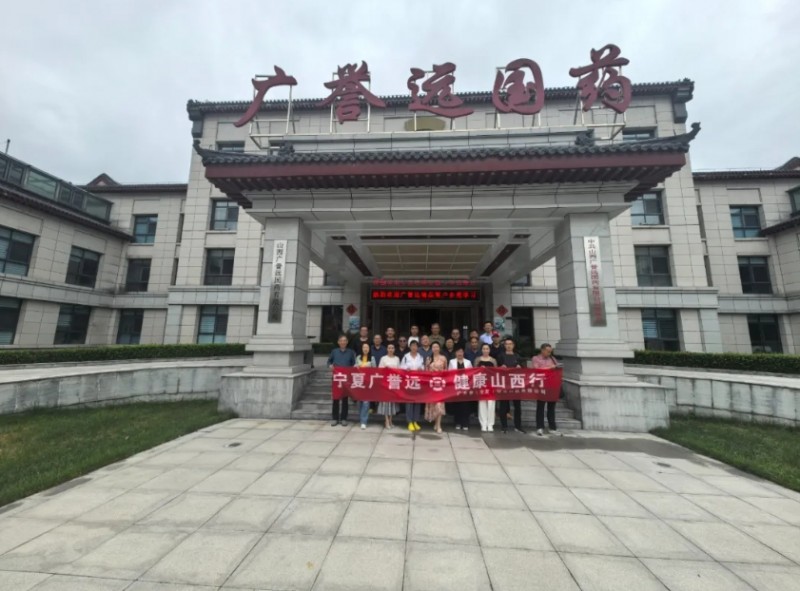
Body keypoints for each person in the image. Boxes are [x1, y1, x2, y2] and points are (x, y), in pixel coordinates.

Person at [532, 343, 562, 437]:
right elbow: (537, 369)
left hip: (552, 385)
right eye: (548, 351)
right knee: (540, 407)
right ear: (542, 350)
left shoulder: (552, 359)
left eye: (550, 351)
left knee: (551, 407)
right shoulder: (536, 358)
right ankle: (539, 427)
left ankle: (552, 427)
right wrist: (550, 368)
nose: (549, 353)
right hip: (541, 385)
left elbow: (556, 369)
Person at [497, 337, 526, 434]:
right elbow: (495, 369)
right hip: (504, 384)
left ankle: (518, 426)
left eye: (510, 344)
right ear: (504, 346)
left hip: (515, 384)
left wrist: (520, 367)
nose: (508, 346)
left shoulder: (518, 356)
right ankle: (504, 426)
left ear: (513, 345)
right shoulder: (500, 356)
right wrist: (501, 367)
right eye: (506, 344)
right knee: (503, 405)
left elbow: (524, 370)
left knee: (517, 406)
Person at [327, 335, 356, 427]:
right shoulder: (334, 351)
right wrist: (330, 366)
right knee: (335, 398)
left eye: (344, 341)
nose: (343, 342)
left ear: (347, 342)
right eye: (341, 341)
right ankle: (335, 418)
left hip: (346, 378)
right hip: (337, 377)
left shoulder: (351, 352)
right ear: (338, 342)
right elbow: (329, 362)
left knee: (345, 399)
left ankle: (344, 418)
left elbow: (354, 364)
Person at [400, 339, 425, 431]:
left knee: (417, 401)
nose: (414, 347)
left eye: (415, 346)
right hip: (409, 382)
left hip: (418, 382)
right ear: (409, 347)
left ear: (418, 347)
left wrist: (421, 368)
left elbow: (423, 367)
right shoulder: (406, 356)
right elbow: (401, 367)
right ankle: (410, 421)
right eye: (412, 346)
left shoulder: (420, 357)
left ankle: (415, 421)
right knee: (409, 402)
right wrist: (407, 368)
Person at [424, 342, 447, 434]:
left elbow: (446, 371)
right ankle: (435, 422)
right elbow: (425, 372)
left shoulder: (443, 358)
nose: (435, 348)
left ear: (439, 348)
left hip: (440, 384)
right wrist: (427, 365)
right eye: (433, 347)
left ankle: (438, 425)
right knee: (433, 405)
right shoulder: (429, 358)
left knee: (439, 405)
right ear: (431, 348)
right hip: (431, 384)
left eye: (437, 346)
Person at [448, 347, 472, 430]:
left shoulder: (468, 362)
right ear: (455, 353)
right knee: (457, 405)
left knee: (465, 405)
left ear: (463, 353)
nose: (459, 353)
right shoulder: (451, 362)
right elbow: (449, 374)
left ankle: (465, 423)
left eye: (461, 352)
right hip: (456, 386)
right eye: (458, 352)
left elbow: (471, 374)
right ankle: (457, 422)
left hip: (465, 386)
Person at [378, 343, 401, 429]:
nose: (391, 349)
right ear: (387, 349)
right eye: (389, 348)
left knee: (392, 402)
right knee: (385, 402)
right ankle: (386, 420)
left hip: (394, 382)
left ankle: (391, 420)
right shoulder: (383, 358)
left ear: (394, 349)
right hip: (385, 382)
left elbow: (400, 370)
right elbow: (379, 370)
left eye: (392, 348)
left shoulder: (397, 358)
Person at [475, 343, 497, 432]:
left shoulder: (493, 360)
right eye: (484, 348)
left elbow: (496, 372)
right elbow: (474, 371)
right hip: (481, 383)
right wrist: (480, 369)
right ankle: (483, 423)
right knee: (482, 404)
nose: (485, 350)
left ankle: (490, 424)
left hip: (491, 384)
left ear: (489, 350)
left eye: (487, 349)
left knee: (491, 404)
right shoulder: (477, 360)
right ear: (481, 350)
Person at [356, 342, 375, 429]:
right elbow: (354, 367)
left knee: (366, 402)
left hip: (368, 383)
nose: (365, 349)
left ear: (369, 349)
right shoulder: (358, 357)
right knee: (359, 402)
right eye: (364, 347)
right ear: (362, 349)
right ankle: (361, 419)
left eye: (367, 347)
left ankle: (364, 421)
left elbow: (375, 370)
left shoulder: (372, 358)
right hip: (359, 382)